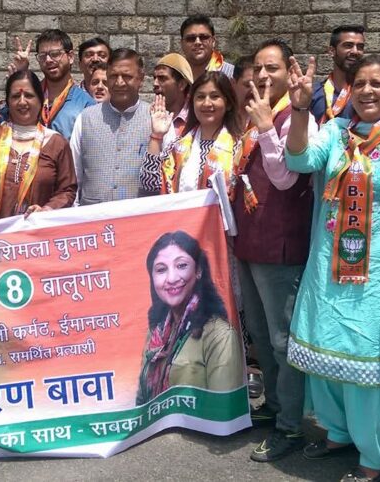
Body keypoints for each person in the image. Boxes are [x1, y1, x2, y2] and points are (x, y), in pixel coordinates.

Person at [286, 54, 380, 482]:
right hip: (326, 271)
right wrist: (299, 109)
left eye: (377, 84)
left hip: (377, 278)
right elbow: (299, 160)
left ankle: (376, 454)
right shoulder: (336, 131)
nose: (367, 91)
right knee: (324, 358)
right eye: (359, 84)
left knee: (368, 366)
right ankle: (338, 432)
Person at [233, 39, 319, 464]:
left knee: (283, 340)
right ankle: (273, 404)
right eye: (259, 68)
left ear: (290, 71)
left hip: (280, 243)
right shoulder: (258, 114)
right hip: (250, 239)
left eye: (273, 68)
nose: (264, 75)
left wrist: (267, 127)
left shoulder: (296, 118)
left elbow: (286, 178)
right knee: (261, 335)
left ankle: (290, 426)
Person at [0, 41, 77, 223]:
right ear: (8, 102)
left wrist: (47, 209)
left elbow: (67, 190)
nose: (22, 102)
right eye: (15, 96)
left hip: (33, 235)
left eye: (29, 95)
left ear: (40, 100)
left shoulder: (56, 143)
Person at [135, 231, 245, 404]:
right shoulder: (156, 333)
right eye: (161, 270)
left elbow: (224, 409)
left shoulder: (219, 334)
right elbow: (141, 402)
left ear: (198, 270)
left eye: (181, 266)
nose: (172, 278)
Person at [69, 48, 152, 205]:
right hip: (93, 214)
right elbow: (74, 174)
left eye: (127, 76)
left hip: (140, 216)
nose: (119, 82)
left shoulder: (156, 119)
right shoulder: (86, 118)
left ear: (141, 79)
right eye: (114, 76)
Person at [141, 71, 243, 195]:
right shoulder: (178, 147)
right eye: (200, 97)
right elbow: (149, 183)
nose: (206, 103)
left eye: (214, 96)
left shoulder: (240, 147)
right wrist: (157, 136)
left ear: (228, 104)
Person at [9, 29, 95, 140]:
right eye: (42, 56)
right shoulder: (28, 97)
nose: (48, 60)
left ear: (70, 57)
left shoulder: (86, 105)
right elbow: (6, 122)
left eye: (55, 54)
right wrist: (19, 78)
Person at [311, 24, 366, 122]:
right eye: (348, 45)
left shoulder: (367, 94)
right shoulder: (313, 93)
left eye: (360, 47)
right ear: (332, 51)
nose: (355, 51)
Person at [180, 15, 235, 82]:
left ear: (213, 41)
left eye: (204, 37)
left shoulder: (231, 74)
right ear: (182, 43)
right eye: (191, 38)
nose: (197, 42)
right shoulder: (174, 75)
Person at [152, 53, 195, 137]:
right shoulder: (150, 116)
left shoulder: (197, 117)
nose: (155, 84)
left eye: (162, 78)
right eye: (154, 78)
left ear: (182, 84)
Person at [232, 55, 255, 128]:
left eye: (259, 86)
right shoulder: (219, 116)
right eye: (248, 85)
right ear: (233, 83)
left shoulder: (272, 119)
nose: (253, 91)